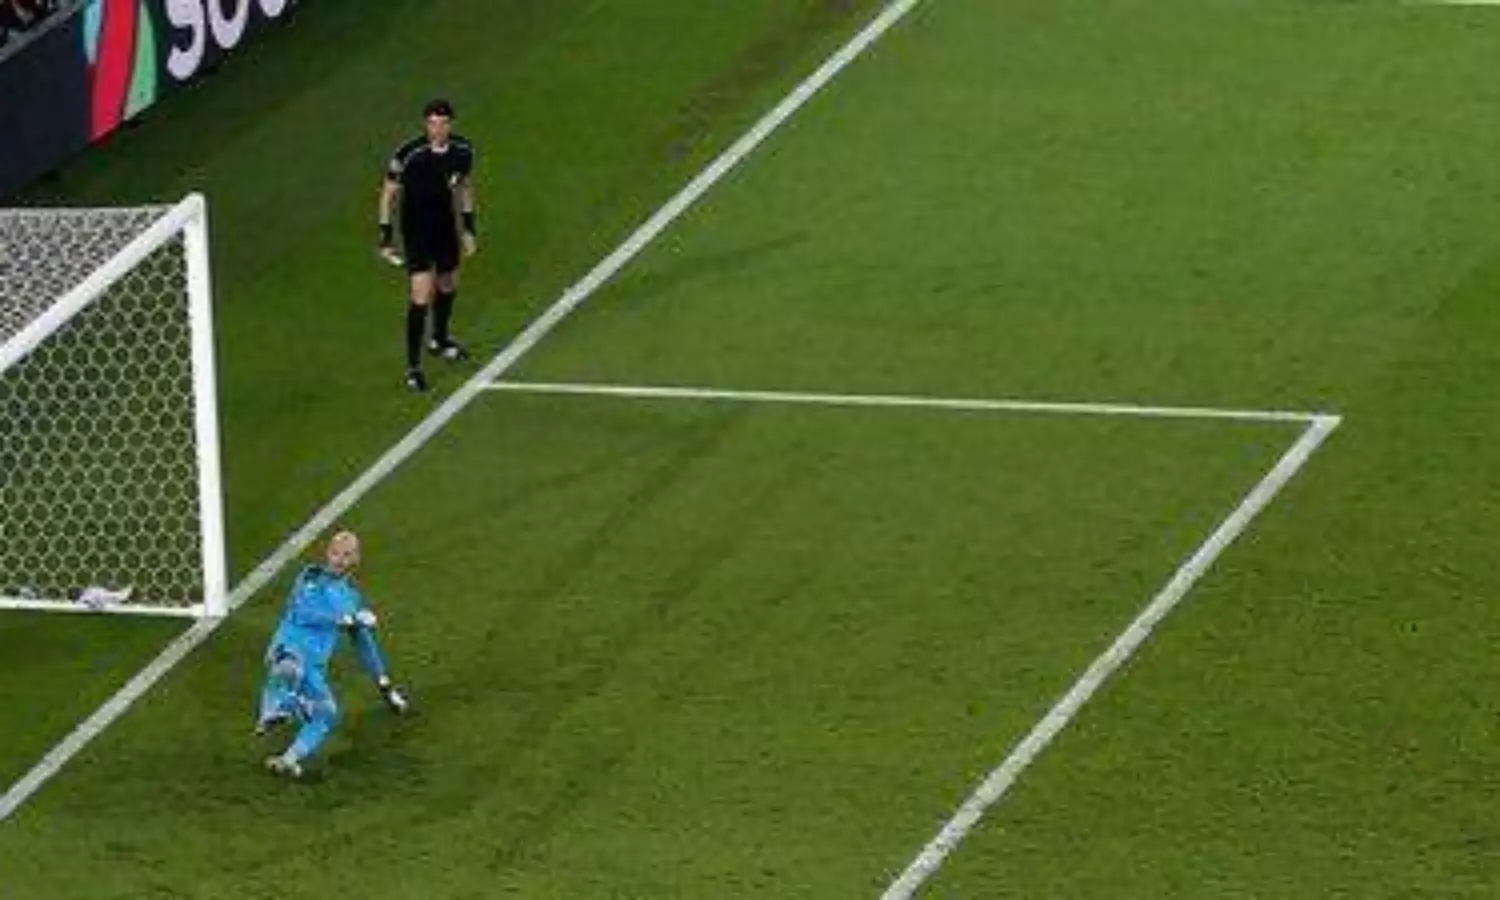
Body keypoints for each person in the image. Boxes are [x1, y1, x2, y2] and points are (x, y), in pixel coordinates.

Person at [256, 530, 409, 778]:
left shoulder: (351, 599)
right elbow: (304, 614)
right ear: (327, 554)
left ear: (356, 559)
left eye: (346, 555)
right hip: (287, 651)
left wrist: (385, 686)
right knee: (289, 668)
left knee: (327, 714)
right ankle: (273, 710)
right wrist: (342, 619)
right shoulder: (310, 578)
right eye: (335, 553)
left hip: (313, 668)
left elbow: (365, 646)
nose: (339, 560)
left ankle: (287, 759)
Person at [378, 98, 478, 392]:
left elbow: (464, 187)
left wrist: (469, 228)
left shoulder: (463, 151)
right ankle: (413, 367)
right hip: (416, 231)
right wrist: (385, 236)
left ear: (451, 124)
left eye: (443, 123)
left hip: (444, 228)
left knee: (447, 283)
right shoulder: (410, 154)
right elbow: (388, 193)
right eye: (432, 123)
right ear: (426, 124)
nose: (437, 129)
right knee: (420, 296)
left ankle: (440, 339)